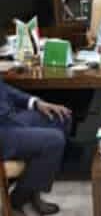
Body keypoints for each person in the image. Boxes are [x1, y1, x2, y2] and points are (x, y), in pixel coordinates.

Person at [0, 77, 71, 216]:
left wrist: (36, 103)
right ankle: (16, 201)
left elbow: (4, 89)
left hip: (10, 119)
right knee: (53, 141)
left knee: (61, 117)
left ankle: (32, 191)